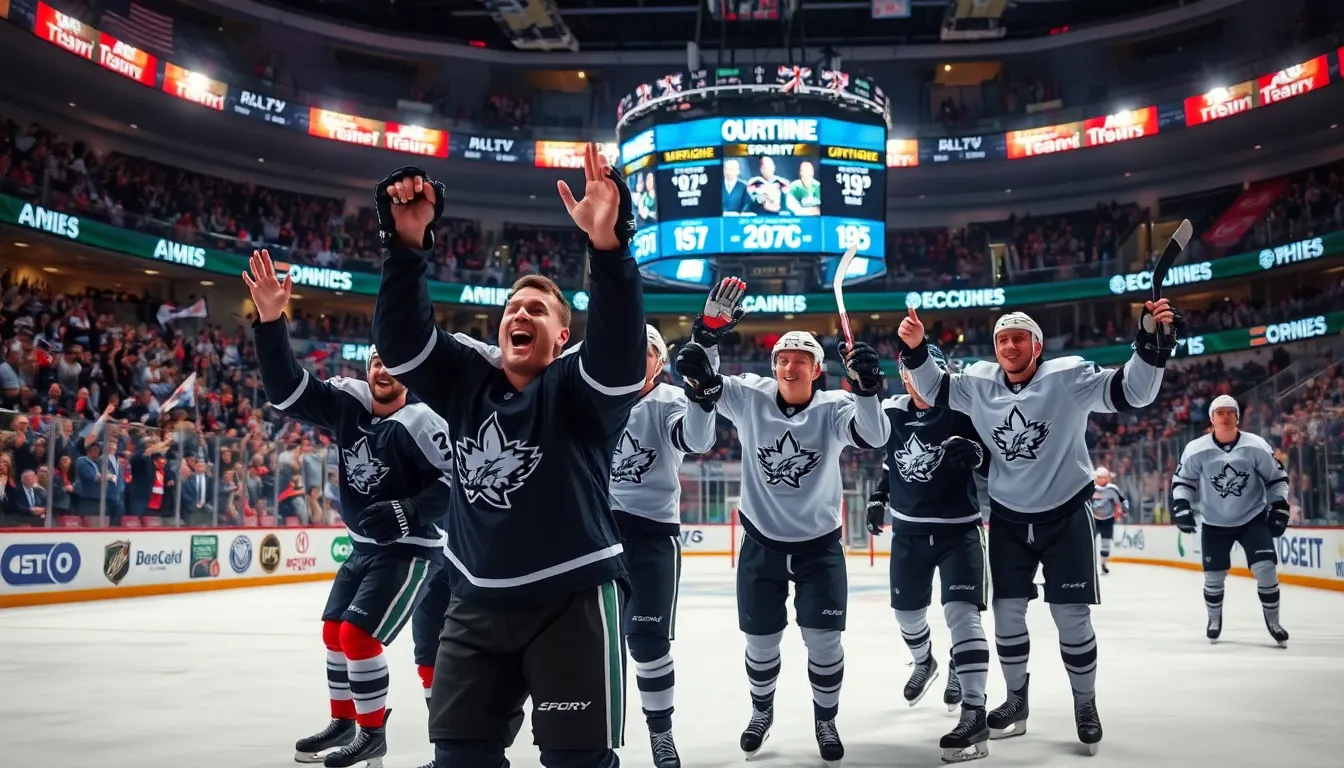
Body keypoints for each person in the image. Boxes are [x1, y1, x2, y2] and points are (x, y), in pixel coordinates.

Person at [370, 144, 645, 768]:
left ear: (562, 334)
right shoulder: (467, 380)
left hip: (573, 601)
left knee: (579, 763)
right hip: (474, 603)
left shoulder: (578, 390)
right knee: (460, 759)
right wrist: (406, 246)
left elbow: (621, 356)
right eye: (512, 309)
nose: (520, 315)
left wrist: (610, 249)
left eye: (537, 310)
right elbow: (403, 343)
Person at [898, 301, 1179, 756]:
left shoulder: (1066, 377)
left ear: (1037, 346)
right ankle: (1016, 702)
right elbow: (934, 387)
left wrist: (1149, 347)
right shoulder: (981, 383)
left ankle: (1084, 704)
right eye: (1002, 340)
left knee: (1071, 616)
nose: (1009, 346)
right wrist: (913, 350)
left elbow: (1133, 392)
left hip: (1065, 513)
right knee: (1008, 615)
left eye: (1018, 339)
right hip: (1009, 516)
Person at [245, 250, 454, 768]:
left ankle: (372, 733)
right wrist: (271, 321)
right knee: (333, 633)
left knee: (360, 636)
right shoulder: (347, 400)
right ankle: (344, 719)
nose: (383, 369)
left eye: (393, 360)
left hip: (412, 550)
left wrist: (408, 512)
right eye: (377, 359)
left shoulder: (427, 421)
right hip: (364, 548)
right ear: (369, 365)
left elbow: (456, 487)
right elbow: (284, 390)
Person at [692, 276, 890, 764]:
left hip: (819, 547)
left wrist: (867, 390)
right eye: (782, 358)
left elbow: (876, 433)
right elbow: (704, 377)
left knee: (823, 643)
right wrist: (707, 337)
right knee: (761, 644)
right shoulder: (751, 396)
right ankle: (762, 711)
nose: (789, 365)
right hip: (761, 544)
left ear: (818, 369)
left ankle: (826, 720)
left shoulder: (834, 406)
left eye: (801, 359)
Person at [865, 345, 992, 763]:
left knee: (963, 616)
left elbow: (993, 458)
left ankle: (975, 711)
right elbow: (890, 463)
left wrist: (978, 456)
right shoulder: (891, 412)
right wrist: (878, 497)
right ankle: (927, 661)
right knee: (906, 615)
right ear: (903, 375)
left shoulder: (963, 409)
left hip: (959, 532)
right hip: (909, 534)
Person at [608, 323, 719, 768]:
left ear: (659, 360)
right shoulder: (596, 395)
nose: (638, 357)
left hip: (653, 535)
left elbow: (695, 438)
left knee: (647, 641)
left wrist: (700, 394)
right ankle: (596, 734)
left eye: (648, 350)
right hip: (597, 536)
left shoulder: (669, 398)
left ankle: (661, 733)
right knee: (592, 641)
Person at [1169, 395, 1290, 646]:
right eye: (1220, 412)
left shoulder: (1256, 445)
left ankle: (1274, 622)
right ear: (1212, 418)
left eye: (1230, 412)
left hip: (1253, 518)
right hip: (1214, 523)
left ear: (1237, 417)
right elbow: (1182, 482)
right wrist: (1181, 506)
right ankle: (1214, 620)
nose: (1225, 416)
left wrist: (1279, 506)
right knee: (1213, 578)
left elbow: (1276, 478)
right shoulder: (1196, 449)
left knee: (1266, 570)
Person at [1090, 468, 1126, 574]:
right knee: (1089, 543)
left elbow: (1121, 500)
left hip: (1108, 520)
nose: (1102, 480)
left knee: (1105, 544)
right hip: (1094, 519)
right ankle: (1089, 565)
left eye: (1104, 477)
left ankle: (1103, 564)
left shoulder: (1112, 489)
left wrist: (1122, 510)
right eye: (1100, 477)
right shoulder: (1090, 489)